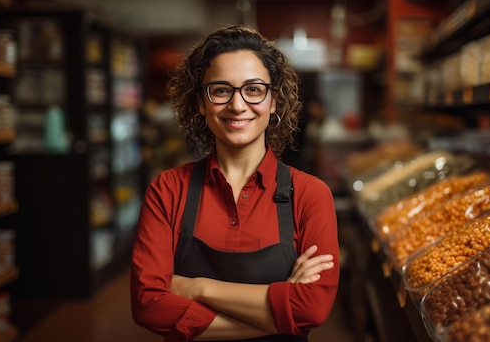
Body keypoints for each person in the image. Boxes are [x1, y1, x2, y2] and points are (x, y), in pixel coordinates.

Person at [130, 24, 340, 342]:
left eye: (254, 89)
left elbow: (313, 309)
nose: (238, 105)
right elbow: (148, 306)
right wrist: (279, 315)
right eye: (221, 90)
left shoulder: (310, 195)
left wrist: (196, 287)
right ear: (200, 103)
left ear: (273, 101)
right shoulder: (168, 190)